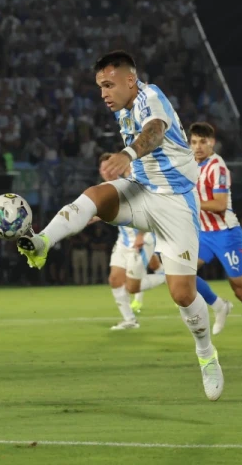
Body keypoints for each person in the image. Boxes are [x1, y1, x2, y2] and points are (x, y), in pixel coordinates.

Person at [16, 51, 224, 401]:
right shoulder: (125, 108)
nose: (103, 94)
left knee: (182, 294)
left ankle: (207, 355)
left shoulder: (150, 96)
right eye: (99, 87)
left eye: (109, 85)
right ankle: (41, 242)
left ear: (131, 80)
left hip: (176, 203)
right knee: (96, 194)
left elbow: (155, 130)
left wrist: (126, 156)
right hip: (141, 193)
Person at [188, 122, 242, 353]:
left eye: (202, 142)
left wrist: (190, 203)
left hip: (226, 234)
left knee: (241, 289)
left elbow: (219, 205)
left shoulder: (218, 167)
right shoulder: (189, 164)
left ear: (212, 143)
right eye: (194, 142)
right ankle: (219, 305)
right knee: (183, 274)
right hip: (203, 234)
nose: (198, 147)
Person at [97, 153, 165, 330]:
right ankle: (129, 320)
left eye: (109, 167)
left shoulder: (130, 185)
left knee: (132, 287)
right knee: (114, 279)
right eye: (103, 168)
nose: (106, 171)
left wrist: (141, 236)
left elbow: (146, 211)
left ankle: (168, 277)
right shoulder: (104, 189)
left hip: (142, 239)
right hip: (123, 240)